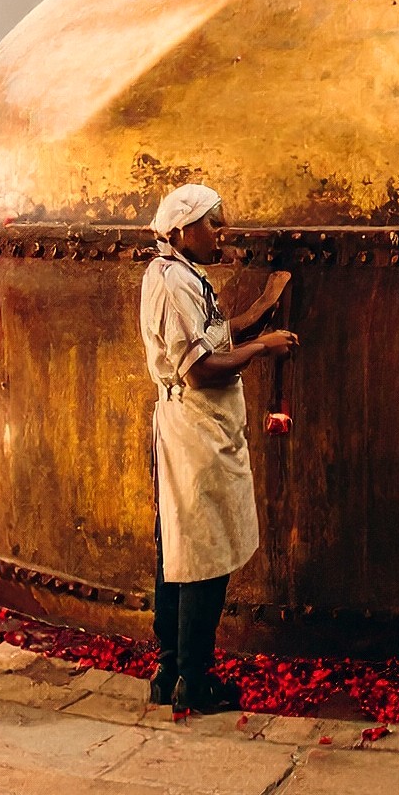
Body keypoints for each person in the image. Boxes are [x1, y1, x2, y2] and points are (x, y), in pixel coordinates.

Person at [139, 183, 297, 713]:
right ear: (183, 230)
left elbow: (210, 337)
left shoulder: (178, 274)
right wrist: (263, 346)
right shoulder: (172, 282)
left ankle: (169, 672)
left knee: (179, 550)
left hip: (196, 429)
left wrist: (262, 307)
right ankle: (195, 681)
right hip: (195, 431)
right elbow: (201, 368)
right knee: (202, 557)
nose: (221, 233)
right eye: (213, 223)